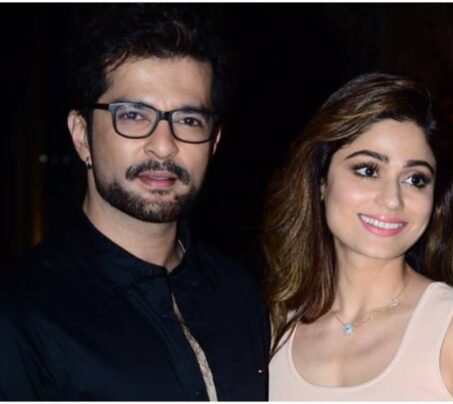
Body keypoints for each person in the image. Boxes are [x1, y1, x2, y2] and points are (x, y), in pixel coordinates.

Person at [0, 5, 268, 400]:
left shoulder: (241, 294)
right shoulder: (20, 315)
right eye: (133, 115)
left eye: (188, 120)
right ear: (81, 135)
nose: (164, 145)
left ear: (214, 143)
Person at [264, 73, 453, 400]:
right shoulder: (271, 330)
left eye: (415, 179)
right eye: (368, 170)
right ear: (320, 181)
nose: (392, 199)